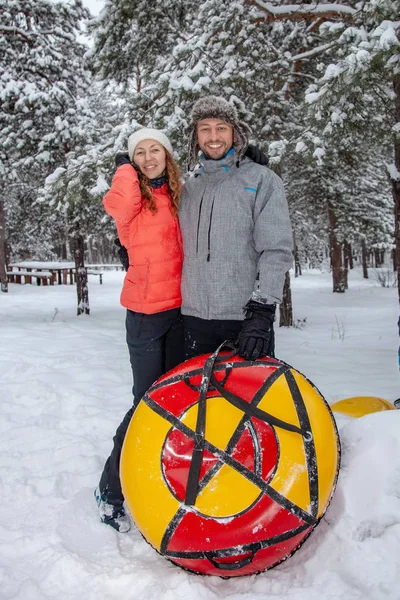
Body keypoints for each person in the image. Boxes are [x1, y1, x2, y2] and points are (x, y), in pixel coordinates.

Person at [95, 128, 184, 533]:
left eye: (155, 150)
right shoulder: (130, 199)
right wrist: (125, 172)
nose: (149, 158)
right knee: (144, 403)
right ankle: (111, 489)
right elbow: (119, 203)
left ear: (167, 154)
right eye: (140, 153)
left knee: (176, 401)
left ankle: (162, 476)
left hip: (182, 311)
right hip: (146, 315)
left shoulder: (179, 195)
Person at [179, 96, 294, 361]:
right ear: (195, 136)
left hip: (244, 319)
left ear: (235, 132)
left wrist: (262, 310)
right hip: (193, 318)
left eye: (221, 127)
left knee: (250, 402)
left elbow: (276, 250)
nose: (213, 136)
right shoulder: (190, 187)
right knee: (201, 402)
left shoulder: (261, 179)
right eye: (205, 128)